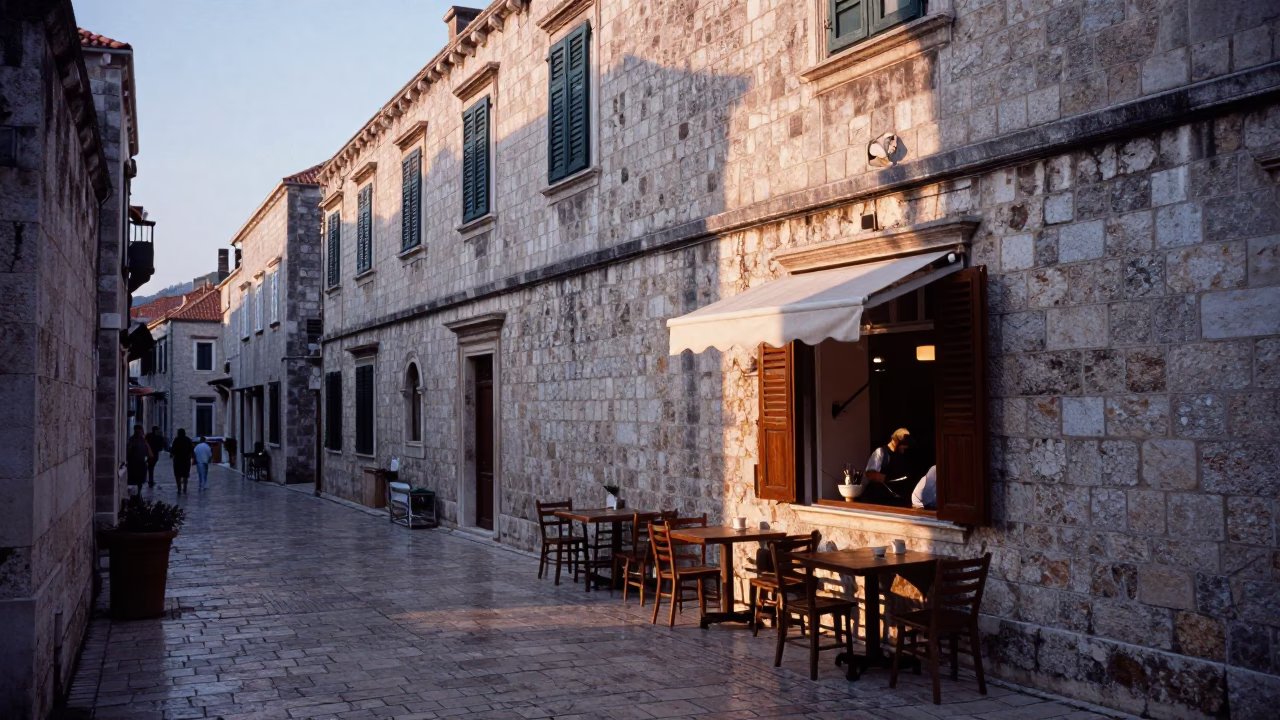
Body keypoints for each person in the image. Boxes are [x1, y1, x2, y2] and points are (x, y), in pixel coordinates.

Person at [854, 428, 913, 506]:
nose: (904, 449)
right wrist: (888, 478)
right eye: (903, 446)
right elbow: (870, 474)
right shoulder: (880, 452)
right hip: (880, 498)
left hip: (896, 497)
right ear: (895, 441)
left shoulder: (901, 455)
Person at [125, 424, 153, 493]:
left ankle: (138, 494)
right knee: (137, 481)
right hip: (136, 463)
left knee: (138, 481)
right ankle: (136, 495)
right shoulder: (134, 440)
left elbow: (150, 454)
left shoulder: (140, 440)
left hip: (139, 463)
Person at [169, 428, 194, 494]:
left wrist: (172, 454)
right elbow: (191, 449)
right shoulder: (188, 439)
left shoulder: (176, 440)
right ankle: (185, 488)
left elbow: (173, 450)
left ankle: (179, 489)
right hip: (186, 459)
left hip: (177, 460)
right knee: (185, 475)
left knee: (178, 475)